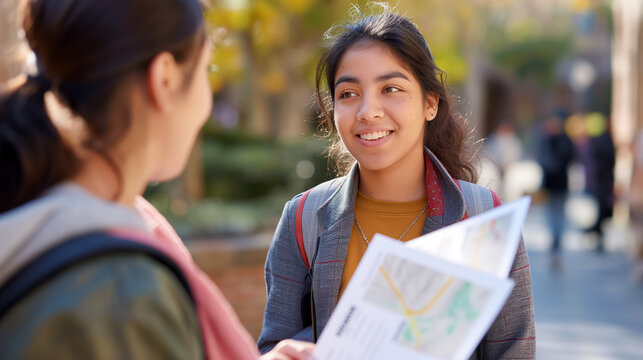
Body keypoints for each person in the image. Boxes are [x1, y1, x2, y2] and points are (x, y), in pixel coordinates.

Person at [0, 0, 314, 359]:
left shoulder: (42, 215)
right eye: (206, 68)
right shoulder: (121, 291)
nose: (205, 102)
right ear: (164, 78)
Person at [259, 5, 535, 359]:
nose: (368, 111)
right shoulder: (303, 218)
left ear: (430, 103)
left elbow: (514, 352)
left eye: (390, 89)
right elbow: (272, 345)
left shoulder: (486, 219)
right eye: (348, 93)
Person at [537, 115, 574, 257]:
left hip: (559, 182)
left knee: (557, 211)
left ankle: (557, 235)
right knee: (553, 211)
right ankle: (555, 235)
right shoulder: (552, 140)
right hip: (554, 182)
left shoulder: (561, 140)